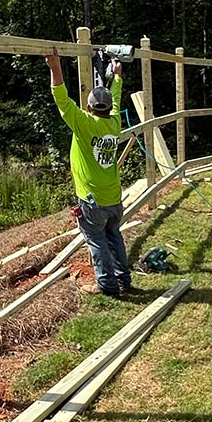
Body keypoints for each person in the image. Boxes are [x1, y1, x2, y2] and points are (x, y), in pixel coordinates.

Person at [46, 47, 132, 296]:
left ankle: (107, 286)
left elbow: (61, 99)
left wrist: (55, 67)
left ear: (89, 107)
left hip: (92, 201)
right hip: (113, 197)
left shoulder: (84, 124)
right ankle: (123, 280)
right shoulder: (114, 123)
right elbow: (115, 99)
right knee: (114, 237)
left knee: (97, 241)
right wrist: (117, 77)